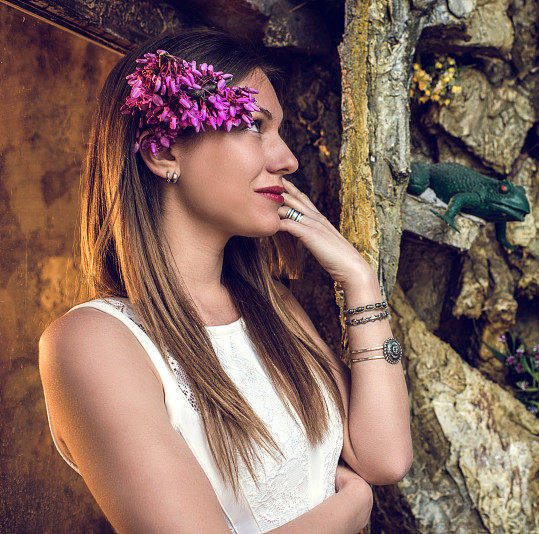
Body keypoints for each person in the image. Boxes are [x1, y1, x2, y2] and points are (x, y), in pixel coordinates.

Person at [38, 28, 412, 534]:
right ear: (163, 152)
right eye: (256, 126)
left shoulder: (272, 308)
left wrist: (360, 280)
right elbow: (366, 486)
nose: (287, 160)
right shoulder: (93, 344)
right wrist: (350, 509)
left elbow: (384, 458)